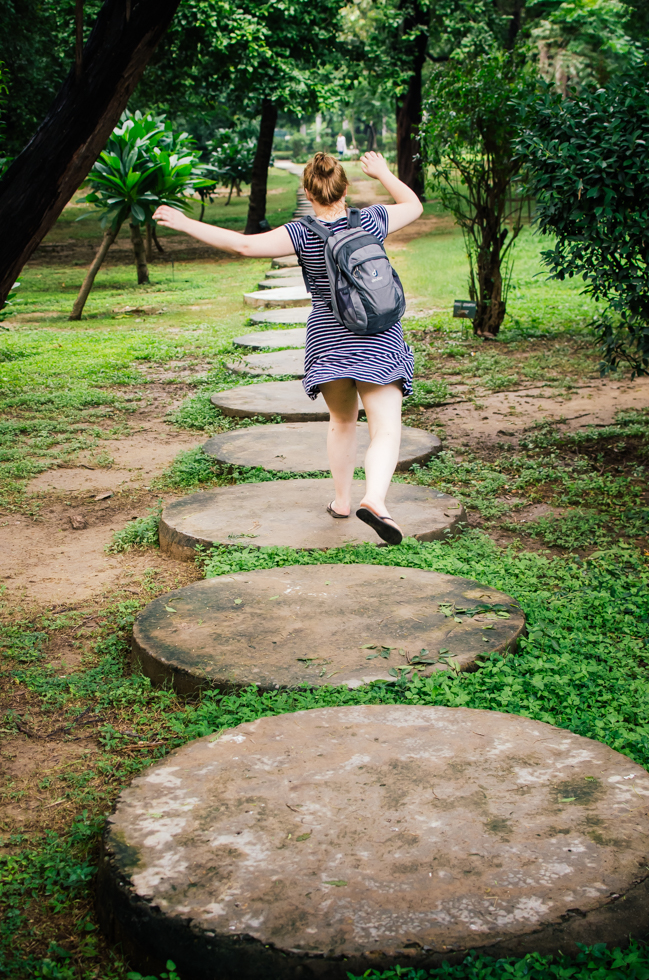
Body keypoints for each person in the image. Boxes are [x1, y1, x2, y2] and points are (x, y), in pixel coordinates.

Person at [153, 150, 422, 545]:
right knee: (385, 428)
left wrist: (184, 221)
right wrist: (382, 173)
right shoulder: (372, 219)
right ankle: (376, 501)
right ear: (344, 187)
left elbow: (242, 246)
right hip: (379, 338)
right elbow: (413, 205)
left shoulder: (299, 232)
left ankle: (343, 501)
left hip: (329, 338)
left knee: (343, 422)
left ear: (308, 193)